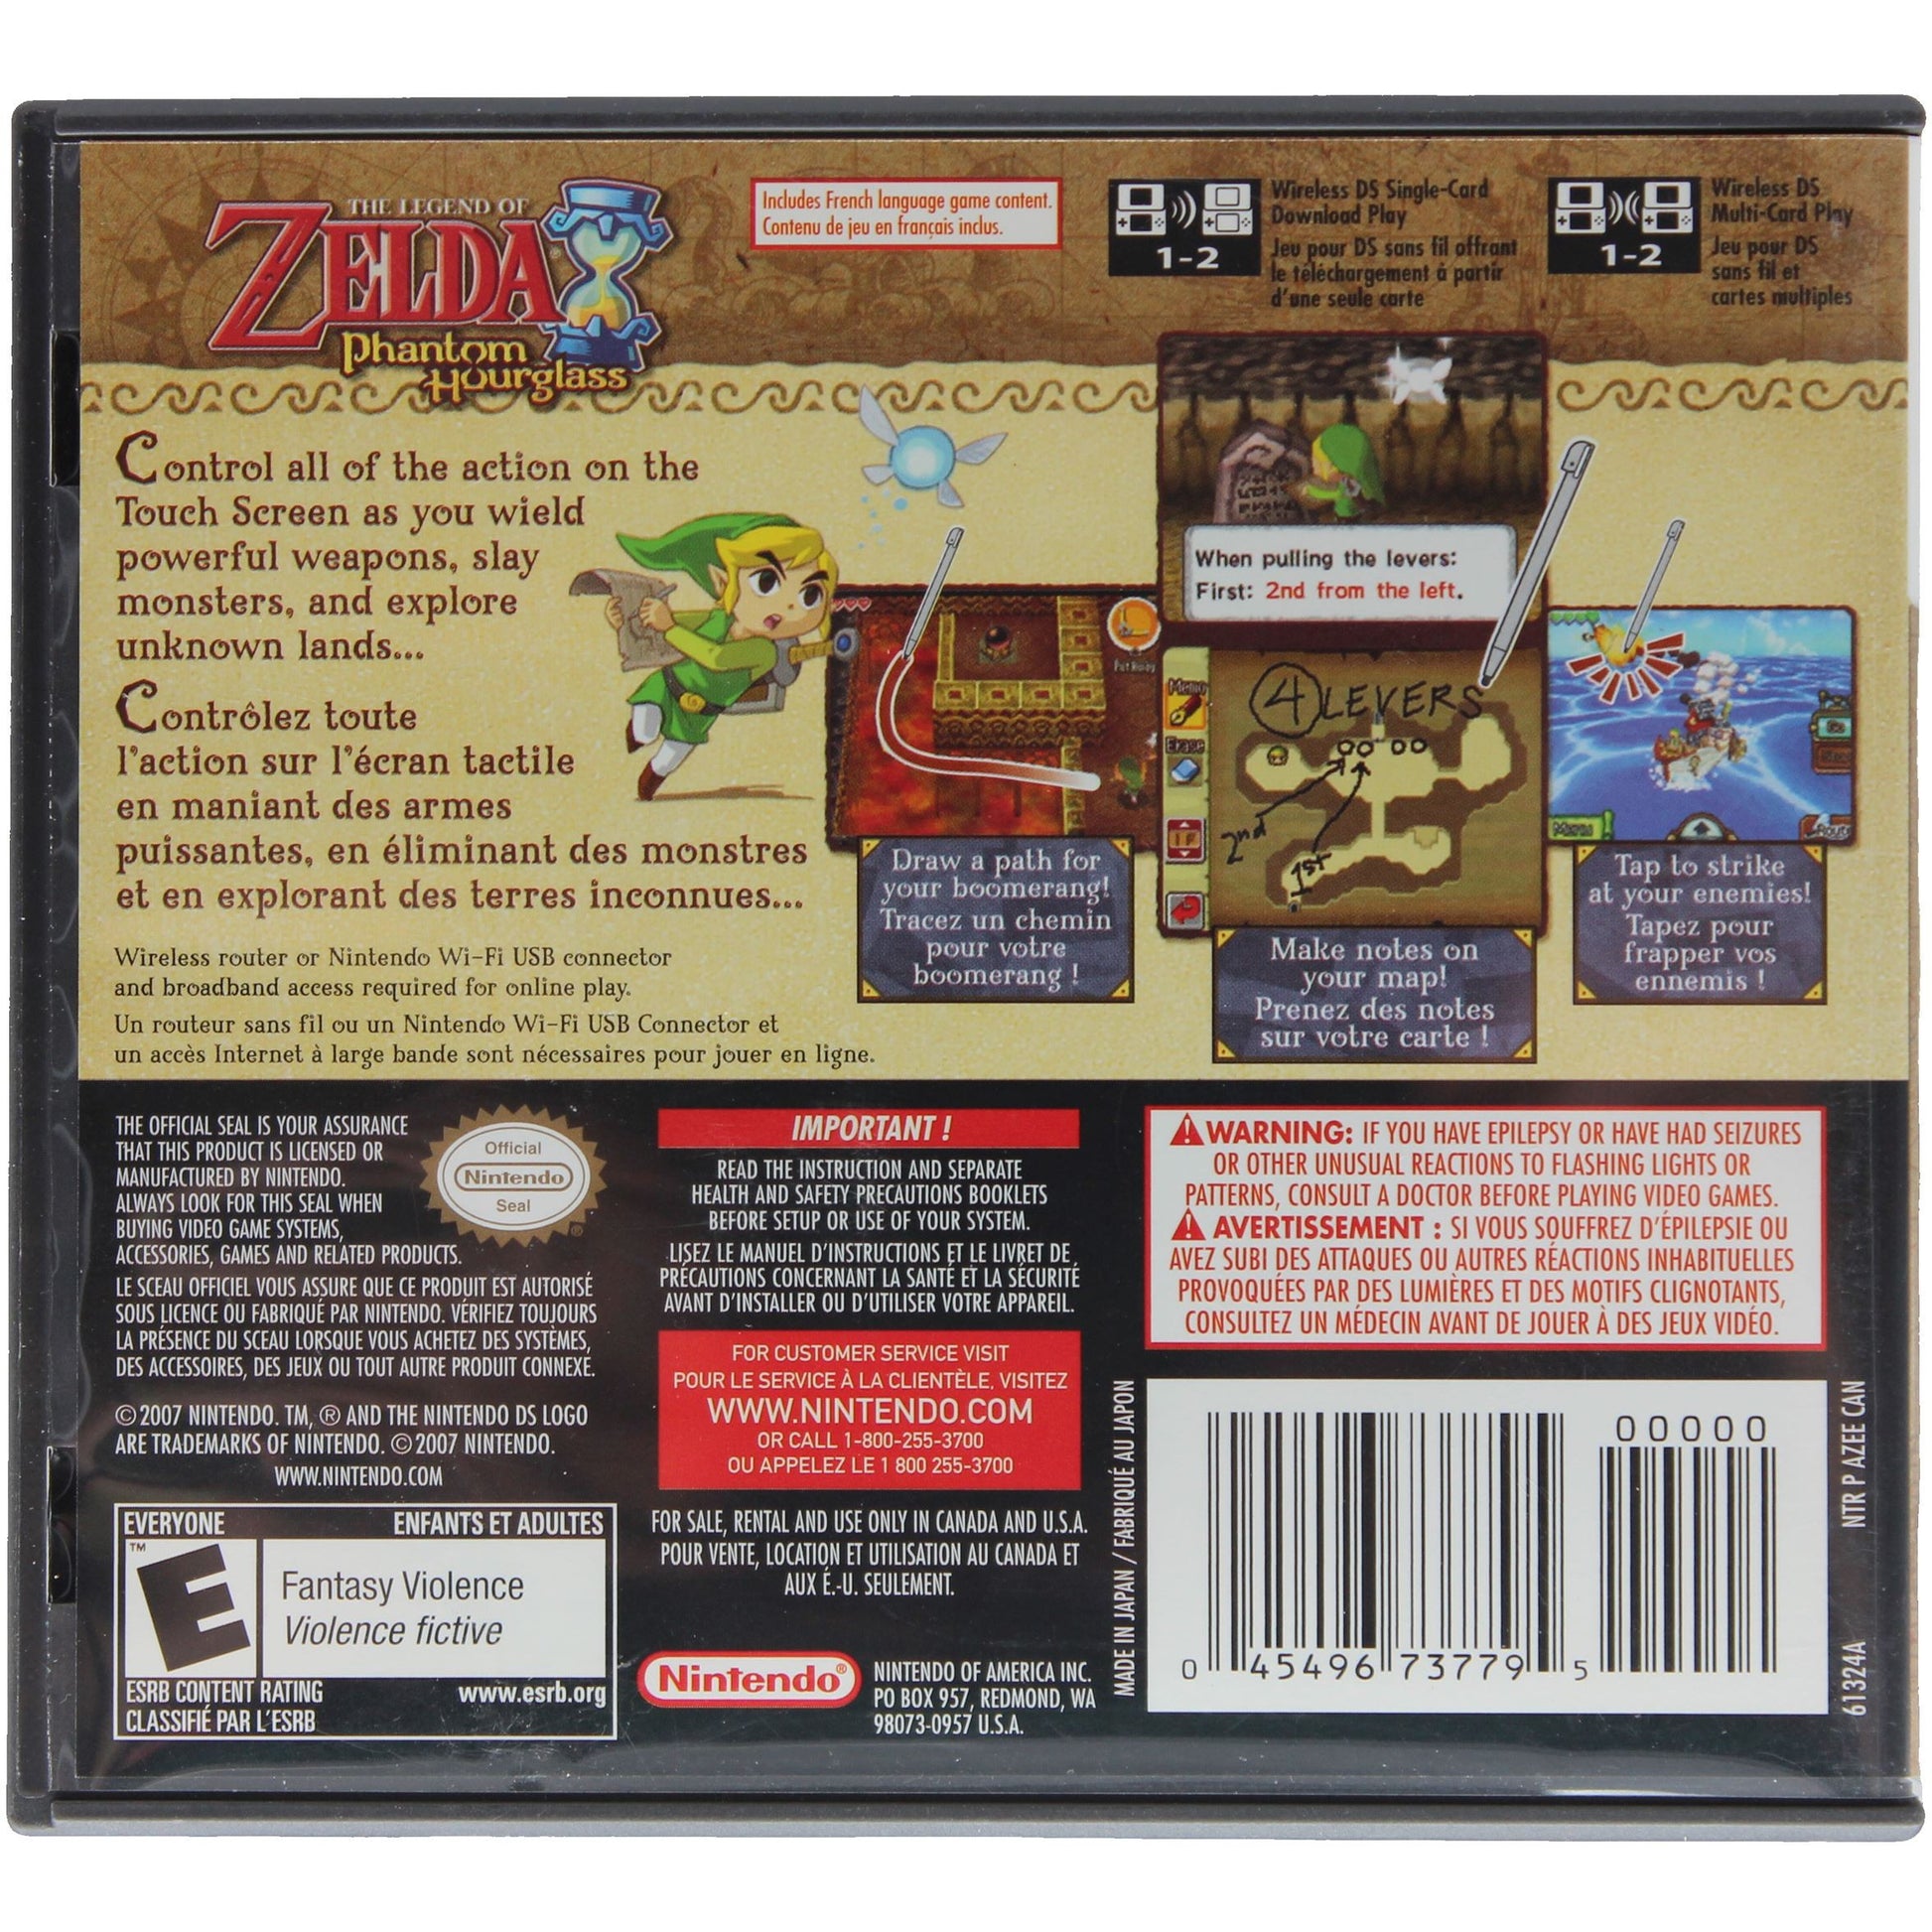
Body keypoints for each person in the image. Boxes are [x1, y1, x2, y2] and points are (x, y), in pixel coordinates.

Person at [609, 512, 838, 799]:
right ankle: (632, 742)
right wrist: (627, 621)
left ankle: (645, 792)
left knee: (665, 762)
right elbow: (674, 622)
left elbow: (717, 658)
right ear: (722, 582)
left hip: (700, 713)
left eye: (810, 596)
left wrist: (668, 628)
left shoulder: (764, 651)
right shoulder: (720, 615)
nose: (790, 606)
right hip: (665, 687)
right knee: (644, 732)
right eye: (766, 582)